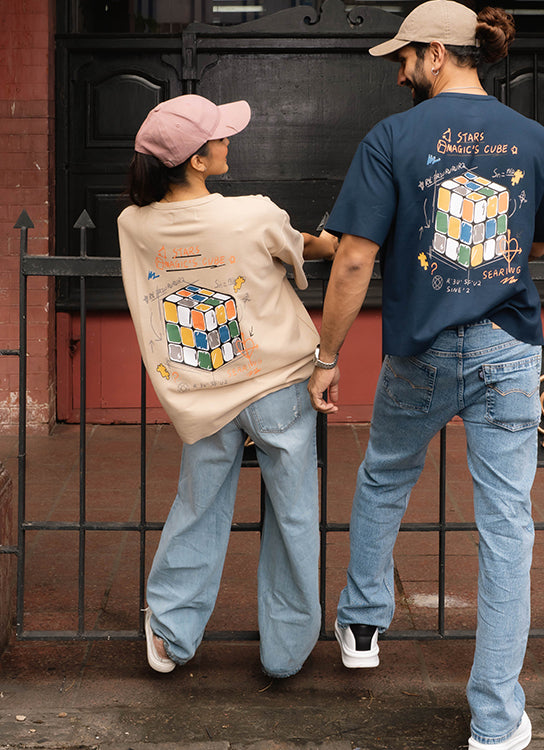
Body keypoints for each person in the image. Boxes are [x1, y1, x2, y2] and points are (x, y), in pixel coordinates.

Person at [308, 2, 544, 747]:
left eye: (403, 59)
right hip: (507, 346)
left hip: (420, 348)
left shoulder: (392, 138)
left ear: (434, 52)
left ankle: (362, 627)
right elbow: (538, 245)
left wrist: (327, 357)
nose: (399, 74)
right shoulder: (535, 139)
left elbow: (353, 258)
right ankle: (495, 719)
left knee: (385, 477)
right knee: (506, 525)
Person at [118, 93, 336, 679]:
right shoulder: (254, 213)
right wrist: (330, 243)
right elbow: (302, 249)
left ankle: (170, 632)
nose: (227, 142)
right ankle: (286, 650)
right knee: (294, 512)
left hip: (202, 393)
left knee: (198, 506)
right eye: (219, 136)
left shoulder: (132, 225)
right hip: (276, 384)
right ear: (196, 159)